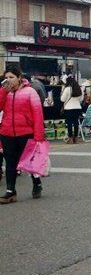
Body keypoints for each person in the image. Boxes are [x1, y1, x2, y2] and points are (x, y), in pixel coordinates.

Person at [0, 66, 46, 203]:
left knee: (29, 161)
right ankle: (10, 191)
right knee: (10, 162)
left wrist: (38, 136)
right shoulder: (4, 92)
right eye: (6, 77)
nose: (8, 80)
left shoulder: (30, 92)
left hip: (26, 133)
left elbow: (38, 114)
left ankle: (37, 183)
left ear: (19, 78)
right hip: (7, 132)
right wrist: (3, 92)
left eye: (11, 77)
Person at [60, 76, 83, 144]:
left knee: (69, 123)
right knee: (76, 123)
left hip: (68, 108)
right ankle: (76, 138)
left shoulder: (67, 89)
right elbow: (81, 99)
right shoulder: (79, 89)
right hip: (77, 107)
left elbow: (62, 99)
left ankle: (70, 139)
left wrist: (62, 92)